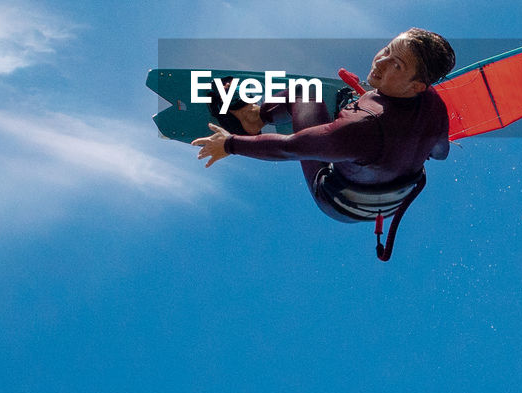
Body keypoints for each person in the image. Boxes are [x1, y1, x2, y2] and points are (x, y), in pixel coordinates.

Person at [191, 29, 455, 256]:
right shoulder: (436, 108)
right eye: (387, 50)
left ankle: (250, 119)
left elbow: (291, 147)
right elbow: (440, 153)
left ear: (417, 86)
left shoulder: (361, 128)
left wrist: (229, 144)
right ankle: (349, 113)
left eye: (396, 65)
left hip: (337, 200)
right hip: (388, 203)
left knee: (305, 92)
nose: (381, 62)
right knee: (366, 145)